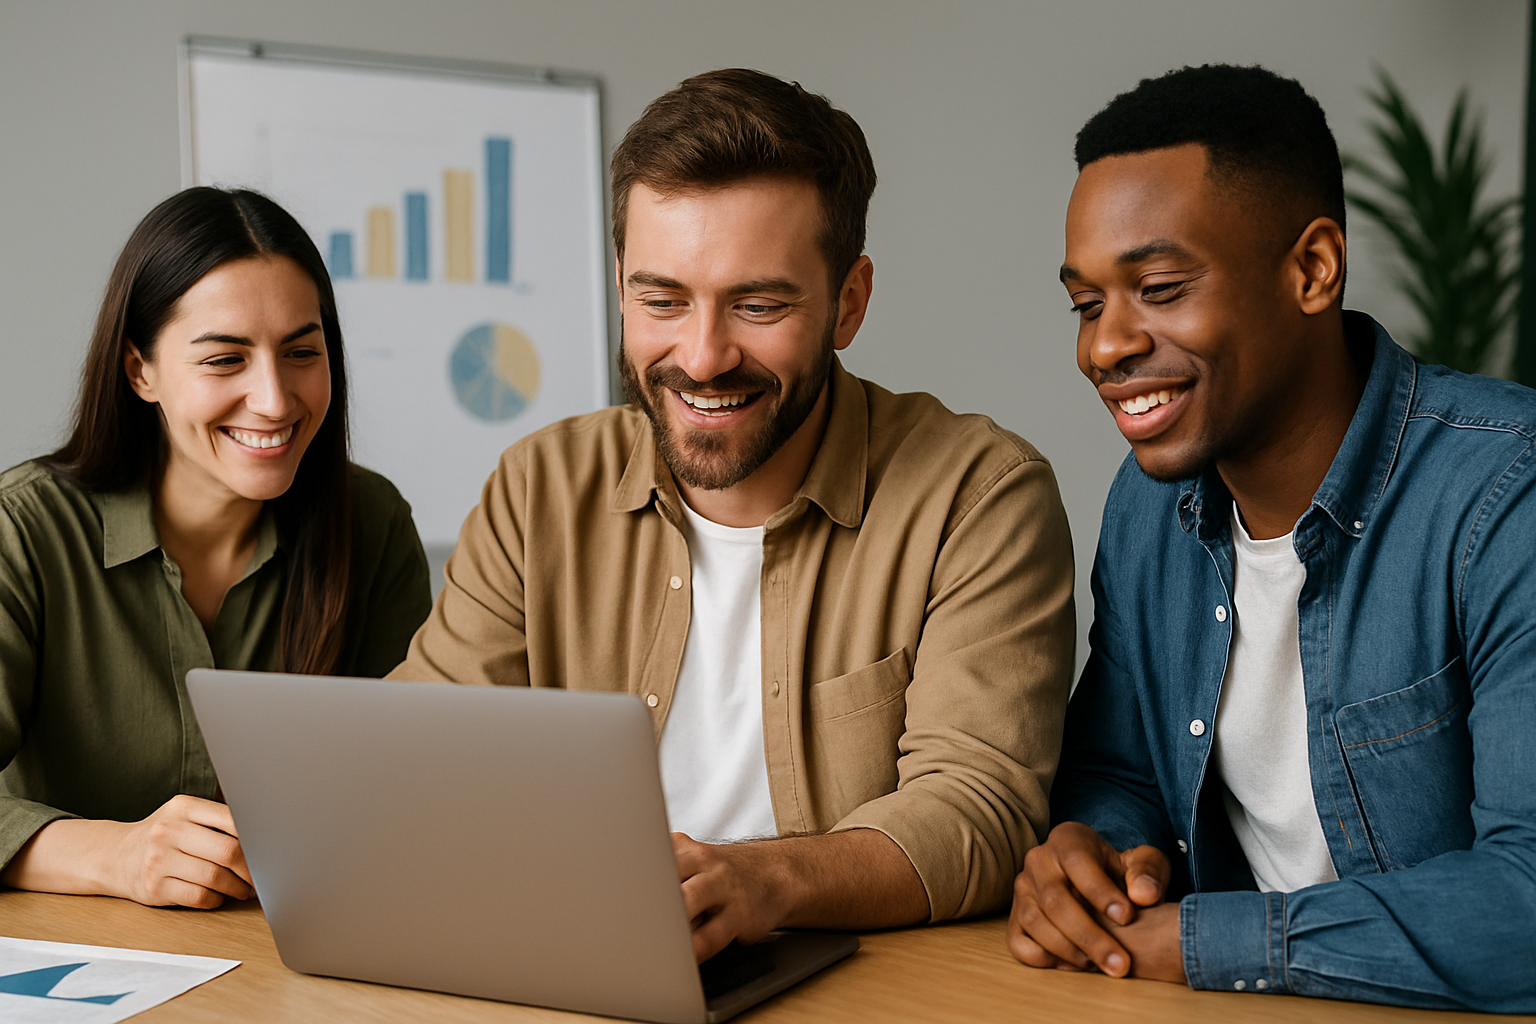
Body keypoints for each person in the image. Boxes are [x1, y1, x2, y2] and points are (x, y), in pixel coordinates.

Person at [391, 68, 1076, 961]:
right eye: (662, 300)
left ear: (849, 302)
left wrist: (764, 881)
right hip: (570, 963)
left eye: (758, 305)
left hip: (853, 988)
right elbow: (418, 759)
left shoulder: (978, 494)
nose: (703, 356)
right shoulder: (540, 486)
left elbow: (978, 811)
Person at [1006, 64, 1536, 1012]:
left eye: (1159, 288)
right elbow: (1118, 769)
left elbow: (1526, 898)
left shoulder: (1506, 497)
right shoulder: (1147, 508)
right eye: (1087, 305)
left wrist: (1204, 940)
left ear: (1313, 270)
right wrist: (1093, 864)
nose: (1104, 347)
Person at [0, 187, 433, 910]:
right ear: (140, 371)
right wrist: (116, 856)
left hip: (287, 968)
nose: (273, 398)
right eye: (225, 360)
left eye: (301, 352)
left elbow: (412, 795)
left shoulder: (372, 521)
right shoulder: (26, 529)